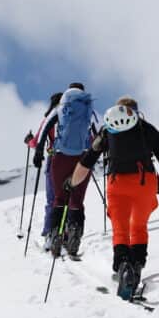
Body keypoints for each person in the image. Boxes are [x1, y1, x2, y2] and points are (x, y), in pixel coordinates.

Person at [71, 96, 159, 300]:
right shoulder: (147, 129)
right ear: (135, 111)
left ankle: (123, 266)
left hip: (117, 184)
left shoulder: (107, 130)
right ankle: (136, 265)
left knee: (120, 228)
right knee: (139, 227)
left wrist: (71, 183)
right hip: (145, 183)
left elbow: (87, 161)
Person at [36, 83, 97, 257]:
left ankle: (55, 234)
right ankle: (74, 234)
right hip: (83, 159)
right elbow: (95, 135)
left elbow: (46, 128)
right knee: (76, 199)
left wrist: (39, 150)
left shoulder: (61, 107)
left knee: (59, 198)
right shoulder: (87, 109)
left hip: (60, 157)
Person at [30, 91, 63, 241]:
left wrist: (29, 141)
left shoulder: (50, 118)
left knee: (53, 198)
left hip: (54, 158)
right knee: (69, 197)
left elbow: (37, 141)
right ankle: (65, 231)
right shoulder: (73, 116)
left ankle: (49, 233)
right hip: (74, 159)